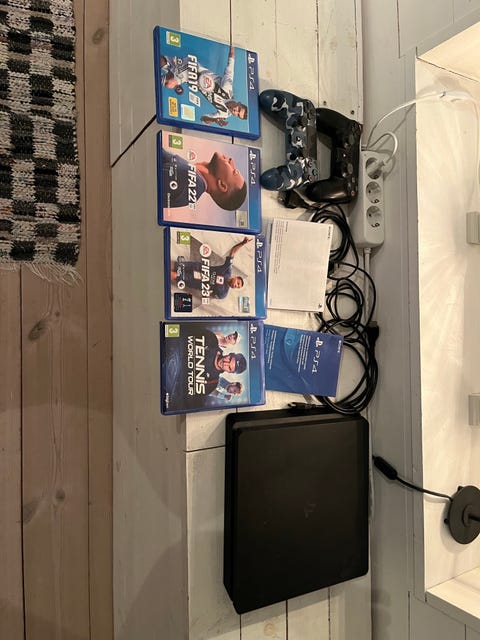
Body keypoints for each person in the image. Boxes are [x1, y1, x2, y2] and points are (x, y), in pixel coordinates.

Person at [159, 47, 248, 127]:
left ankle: (167, 68)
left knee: (163, 63)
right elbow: (230, 67)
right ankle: (172, 77)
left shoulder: (224, 114)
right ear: (239, 103)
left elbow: (203, 118)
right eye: (239, 109)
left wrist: (214, 120)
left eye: (237, 114)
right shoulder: (227, 87)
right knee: (169, 83)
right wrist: (232, 47)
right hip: (193, 68)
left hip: (190, 79)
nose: (235, 111)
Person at [161, 148, 247, 211]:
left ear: (222, 185)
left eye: (234, 171)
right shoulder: (193, 179)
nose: (231, 161)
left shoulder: (191, 182)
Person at [171, 236, 252, 300]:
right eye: (237, 283)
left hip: (192, 281)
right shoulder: (227, 269)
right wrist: (243, 243)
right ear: (235, 277)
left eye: (237, 287)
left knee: (174, 275)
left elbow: (209, 297)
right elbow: (233, 252)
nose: (235, 285)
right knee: (173, 266)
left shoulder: (223, 294)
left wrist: (196, 296)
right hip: (195, 267)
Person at [195, 328, 247, 396]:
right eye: (229, 359)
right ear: (229, 354)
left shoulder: (212, 382)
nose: (225, 363)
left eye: (229, 367)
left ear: (229, 372)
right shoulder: (212, 341)